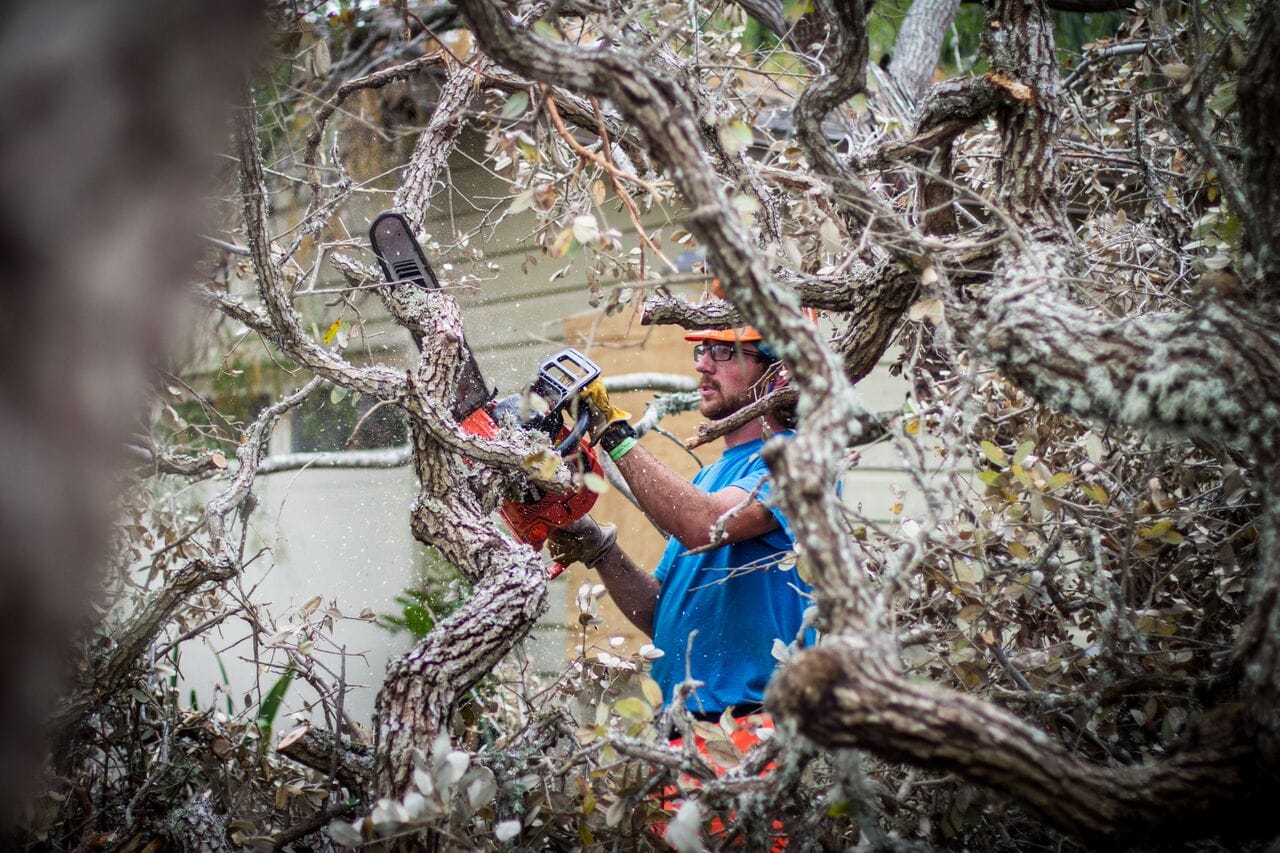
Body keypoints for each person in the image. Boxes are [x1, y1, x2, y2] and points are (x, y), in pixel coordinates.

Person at [548, 324, 811, 721]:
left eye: (724, 353)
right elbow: (664, 615)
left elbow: (706, 523)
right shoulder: (711, 477)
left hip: (752, 723)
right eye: (703, 350)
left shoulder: (798, 460)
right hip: (681, 727)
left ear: (777, 371)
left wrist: (614, 433)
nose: (703, 364)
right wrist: (600, 549)